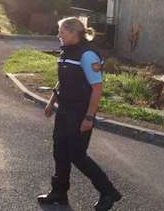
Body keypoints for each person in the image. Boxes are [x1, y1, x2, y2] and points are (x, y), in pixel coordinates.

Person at [37, 17, 122, 211]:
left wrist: (89, 117)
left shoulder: (87, 55)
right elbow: (63, 81)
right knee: (60, 151)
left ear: (74, 33)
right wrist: (51, 103)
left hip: (80, 112)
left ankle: (108, 192)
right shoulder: (66, 52)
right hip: (64, 110)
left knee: (77, 155)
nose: (59, 35)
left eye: (62, 32)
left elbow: (97, 88)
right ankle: (59, 193)